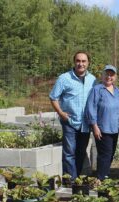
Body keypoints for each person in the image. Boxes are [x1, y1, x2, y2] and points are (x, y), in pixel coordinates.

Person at [50, 51, 96, 181]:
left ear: (88, 63)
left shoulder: (92, 80)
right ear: (74, 62)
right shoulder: (64, 78)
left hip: (85, 123)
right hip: (69, 121)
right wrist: (60, 113)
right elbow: (53, 97)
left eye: (83, 61)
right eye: (78, 61)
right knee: (69, 153)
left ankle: (77, 179)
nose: (80, 64)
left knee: (81, 152)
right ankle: (70, 181)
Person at [85, 65, 119, 181]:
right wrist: (94, 126)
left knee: (110, 153)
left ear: (115, 77)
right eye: (106, 74)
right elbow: (90, 108)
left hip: (115, 128)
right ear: (102, 75)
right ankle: (100, 178)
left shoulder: (118, 92)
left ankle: (104, 174)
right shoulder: (97, 89)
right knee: (104, 154)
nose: (109, 77)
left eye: (112, 74)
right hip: (102, 128)